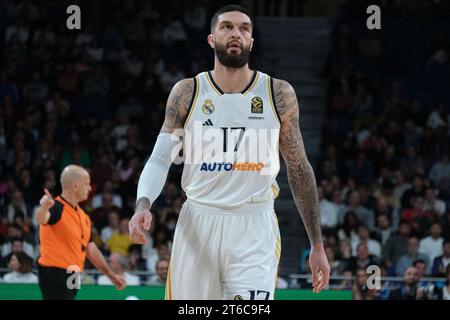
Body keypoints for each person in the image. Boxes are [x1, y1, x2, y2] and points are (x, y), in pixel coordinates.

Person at [129, 4, 330, 300]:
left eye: (244, 28)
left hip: (254, 225)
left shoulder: (278, 94)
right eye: (226, 27)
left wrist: (317, 244)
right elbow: (161, 157)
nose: (235, 33)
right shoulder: (188, 91)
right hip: (198, 221)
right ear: (212, 39)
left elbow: (299, 169)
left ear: (251, 41)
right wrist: (143, 205)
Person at [36, 165, 126, 300]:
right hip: (55, 272)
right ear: (75, 186)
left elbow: (91, 249)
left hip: (74, 274)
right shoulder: (56, 206)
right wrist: (43, 208)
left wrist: (111, 276)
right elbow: (42, 218)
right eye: (87, 184)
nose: (90, 188)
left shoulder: (83, 216)